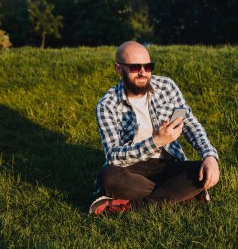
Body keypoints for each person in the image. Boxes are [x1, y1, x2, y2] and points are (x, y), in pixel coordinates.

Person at [89, 41, 220, 215]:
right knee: (107, 177)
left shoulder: (166, 87)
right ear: (119, 69)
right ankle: (177, 195)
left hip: (168, 164)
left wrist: (210, 156)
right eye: (135, 67)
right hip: (130, 169)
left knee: (200, 171)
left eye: (148, 66)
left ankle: (132, 204)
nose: (143, 72)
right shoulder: (107, 104)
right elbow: (113, 156)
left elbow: (189, 123)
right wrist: (156, 141)